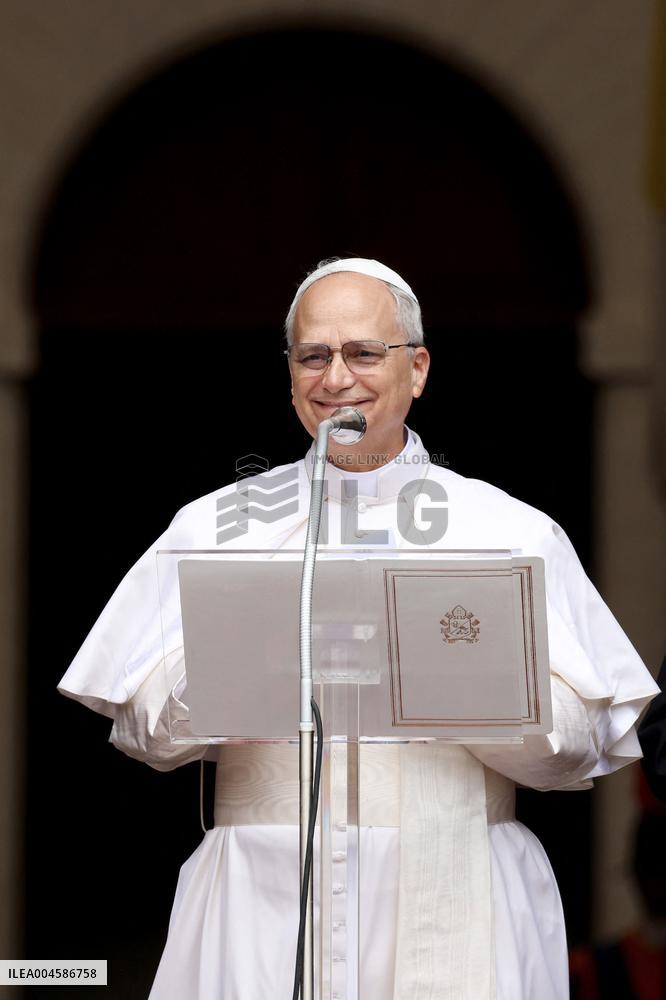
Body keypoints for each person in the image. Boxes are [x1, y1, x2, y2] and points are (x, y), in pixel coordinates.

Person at [58, 258, 659, 1000]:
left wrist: (455, 685)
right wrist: (242, 677)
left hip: (460, 885)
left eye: (364, 353)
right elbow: (143, 732)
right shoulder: (217, 527)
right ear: (290, 375)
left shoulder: (508, 532)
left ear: (419, 369)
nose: (336, 377)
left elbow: (574, 755)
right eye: (313, 355)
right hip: (262, 904)